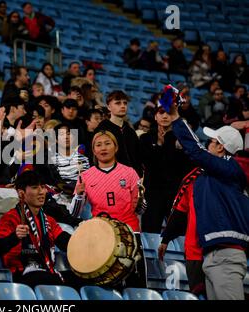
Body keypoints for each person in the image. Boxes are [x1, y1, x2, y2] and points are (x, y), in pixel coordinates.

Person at [169, 101, 249, 300]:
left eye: (212, 142)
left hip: (226, 255)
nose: (207, 145)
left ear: (221, 147)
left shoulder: (235, 168)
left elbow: (196, 152)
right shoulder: (212, 175)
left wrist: (176, 118)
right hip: (211, 254)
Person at [70, 130, 146, 287]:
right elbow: (74, 213)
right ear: (94, 150)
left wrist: (141, 201)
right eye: (98, 145)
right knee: (105, 287)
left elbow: (140, 210)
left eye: (107, 143)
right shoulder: (85, 176)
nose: (103, 148)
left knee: (136, 285)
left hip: (130, 233)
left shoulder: (130, 173)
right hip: (100, 236)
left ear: (116, 147)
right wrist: (78, 195)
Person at [0, 170, 71, 287]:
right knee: (51, 280)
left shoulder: (49, 220)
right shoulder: (10, 218)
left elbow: (65, 242)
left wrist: (83, 241)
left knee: (83, 278)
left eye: (42, 187)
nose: (41, 192)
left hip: (47, 271)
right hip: (21, 274)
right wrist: (15, 236)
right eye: (34, 187)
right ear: (21, 193)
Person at [140, 106, 192, 233]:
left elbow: (181, 167)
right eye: (161, 112)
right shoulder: (145, 138)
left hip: (174, 194)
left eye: (169, 113)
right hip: (152, 193)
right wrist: (160, 146)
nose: (165, 116)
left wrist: (168, 140)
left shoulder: (183, 140)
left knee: (178, 234)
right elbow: (149, 163)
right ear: (155, 116)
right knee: (149, 232)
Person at [158, 167, 207, 297]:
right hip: (195, 252)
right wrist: (166, 238)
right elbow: (181, 208)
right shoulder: (194, 177)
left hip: (223, 249)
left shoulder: (234, 172)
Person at [96, 90, 143, 177]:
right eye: (118, 103)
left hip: (133, 179)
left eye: (125, 103)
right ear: (109, 107)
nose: (122, 106)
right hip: (111, 177)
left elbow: (137, 157)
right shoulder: (102, 129)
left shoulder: (130, 131)